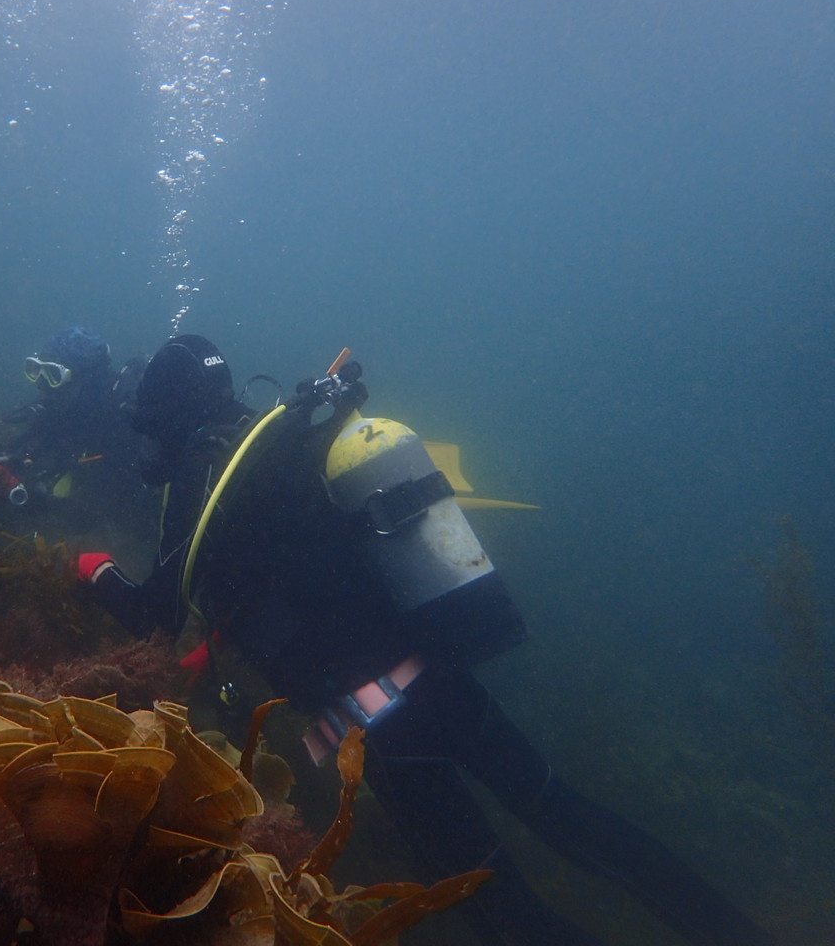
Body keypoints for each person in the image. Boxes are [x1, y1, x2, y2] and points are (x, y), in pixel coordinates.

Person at [77, 334, 773, 946]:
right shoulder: (281, 441)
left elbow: (154, 620)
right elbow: (300, 570)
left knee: (496, 900)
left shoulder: (203, 481)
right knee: (571, 816)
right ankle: (735, 933)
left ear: (167, 412)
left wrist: (90, 568)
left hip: (376, 727)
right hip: (439, 674)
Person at [0, 326, 152, 531]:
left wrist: (15, 492)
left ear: (88, 381)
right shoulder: (66, 409)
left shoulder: (123, 428)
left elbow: (101, 517)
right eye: (36, 370)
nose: (41, 385)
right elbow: (19, 456)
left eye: (54, 374)